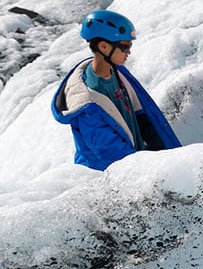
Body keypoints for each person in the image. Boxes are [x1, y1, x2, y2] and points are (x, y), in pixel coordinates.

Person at [51, 10, 181, 170]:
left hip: (135, 160)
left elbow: (140, 113)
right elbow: (110, 152)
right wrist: (148, 169)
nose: (129, 52)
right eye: (125, 46)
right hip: (105, 176)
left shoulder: (118, 72)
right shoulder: (88, 102)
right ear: (104, 47)